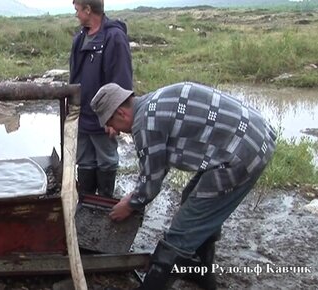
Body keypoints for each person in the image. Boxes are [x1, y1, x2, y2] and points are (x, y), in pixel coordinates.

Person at [90, 82, 277, 290]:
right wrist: (137, 197)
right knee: (192, 199)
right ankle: (200, 271)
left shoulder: (145, 123)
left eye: (110, 124)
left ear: (121, 113)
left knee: (183, 230)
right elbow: (159, 164)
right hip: (254, 135)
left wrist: (131, 204)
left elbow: (151, 181)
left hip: (244, 152)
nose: (112, 131)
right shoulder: (153, 102)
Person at [69, 0, 133, 198]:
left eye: (77, 10)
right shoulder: (80, 38)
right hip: (82, 113)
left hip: (105, 116)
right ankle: (87, 202)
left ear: (88, 10)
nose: (76, 15)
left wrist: (115, 117)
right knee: (84, 159)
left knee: (106, 159)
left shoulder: (114, 37)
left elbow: (122, 77)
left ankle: (104, 201)